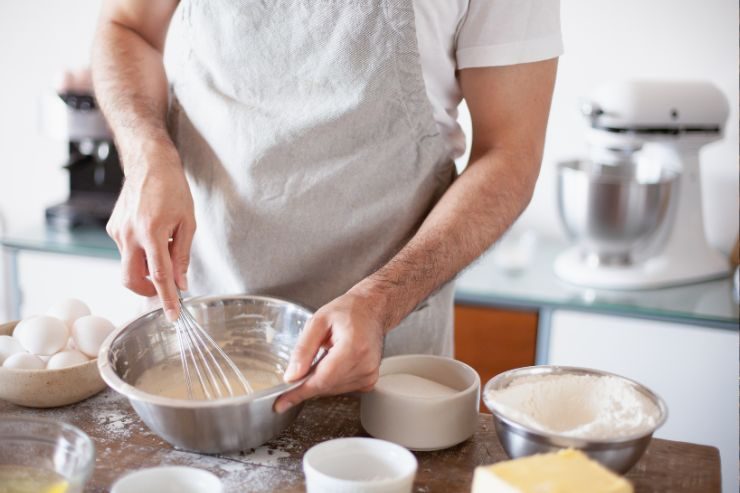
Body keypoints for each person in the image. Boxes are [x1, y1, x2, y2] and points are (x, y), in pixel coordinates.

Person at [92, 0, 561, 414]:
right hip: (198, 320)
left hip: (385, 356)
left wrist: (381, 303)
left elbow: (510, 152)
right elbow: (127, 26)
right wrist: (145, 154)